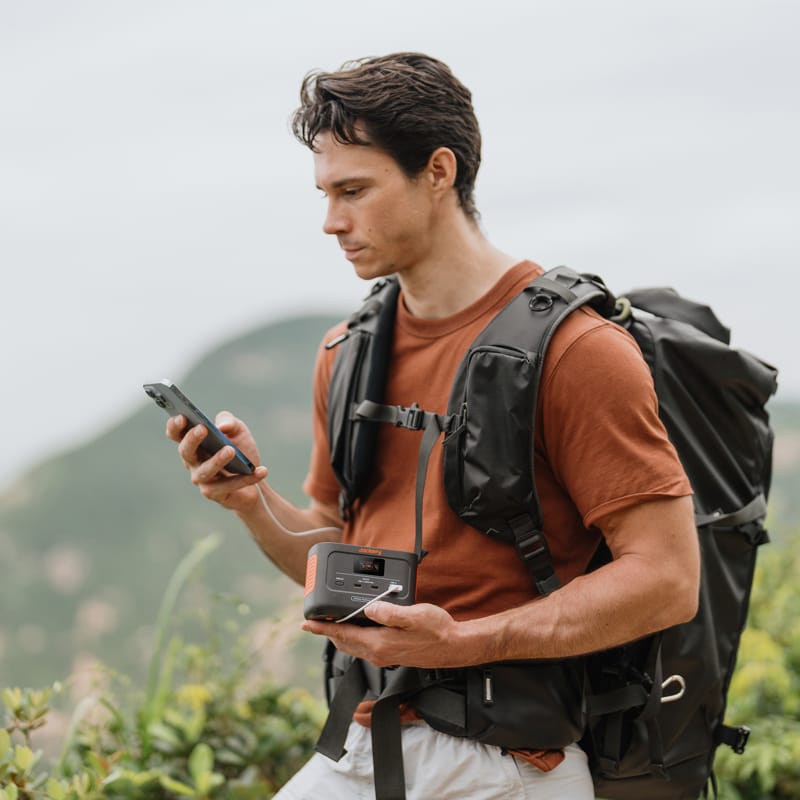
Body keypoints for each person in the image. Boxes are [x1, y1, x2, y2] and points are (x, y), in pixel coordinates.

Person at [167, 52, 700, 800]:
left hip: (509, 764)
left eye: (354, 191)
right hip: (360, 741)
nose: (332, 222)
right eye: (325, 194)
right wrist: (251, 501)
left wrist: (466, 642)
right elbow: (334, 551)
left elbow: (668, 580)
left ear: (439, 172)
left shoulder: (578, 353)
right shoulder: (348, 352)